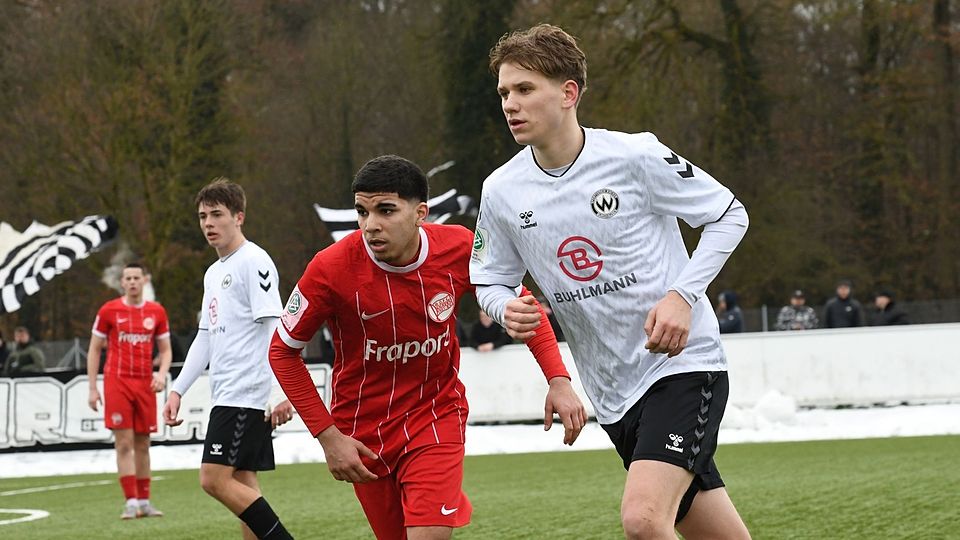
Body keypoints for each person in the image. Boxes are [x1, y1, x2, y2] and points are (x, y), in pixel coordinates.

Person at [470, 24, 751, 539]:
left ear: (569, 93)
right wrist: (504, 307)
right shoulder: (502, 190)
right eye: (504, 93)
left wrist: (682, 296)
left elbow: (730, 214)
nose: (510, 104)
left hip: (681, 365)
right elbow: (488, 278)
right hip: (612, 392)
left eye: (525, 89)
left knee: (643, 521)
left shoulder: (635, 156)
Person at [269, 155, 586, 540]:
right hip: (362, 434)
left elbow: (522, 304)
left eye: (386, 210)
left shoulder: (459, 247)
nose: (371, 225)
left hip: (435, 413)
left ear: (421, 212)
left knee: (429, 534)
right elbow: (282, 351)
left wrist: (558, 379)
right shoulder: (329, 268)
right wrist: (328, 437)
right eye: (362, 212)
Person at [162, 178, 295, 540]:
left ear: (239, 217)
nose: (208, 223)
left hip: (246, 392)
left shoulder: (254, 261)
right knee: (242, 480)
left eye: (217, 214)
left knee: (213, 479)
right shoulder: (213, 272)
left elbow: (274, 328)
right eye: (203, 216)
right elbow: (205, 337)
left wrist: (280, 392)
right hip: (227, 392)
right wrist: (178, 390)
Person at [86, 262, 172, 519]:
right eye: (128, 278)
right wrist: (93, 388)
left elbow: (166, 350)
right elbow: (94, 348)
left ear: (144, 281)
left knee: (143, 443)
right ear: (122, 282)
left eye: (137, 277)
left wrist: (161, 373)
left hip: (144, 383)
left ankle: (145, 501)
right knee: (123, 443)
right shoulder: (109, 310)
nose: (133, 282)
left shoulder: (156, 312)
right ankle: (131, 501)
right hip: (117, 381)